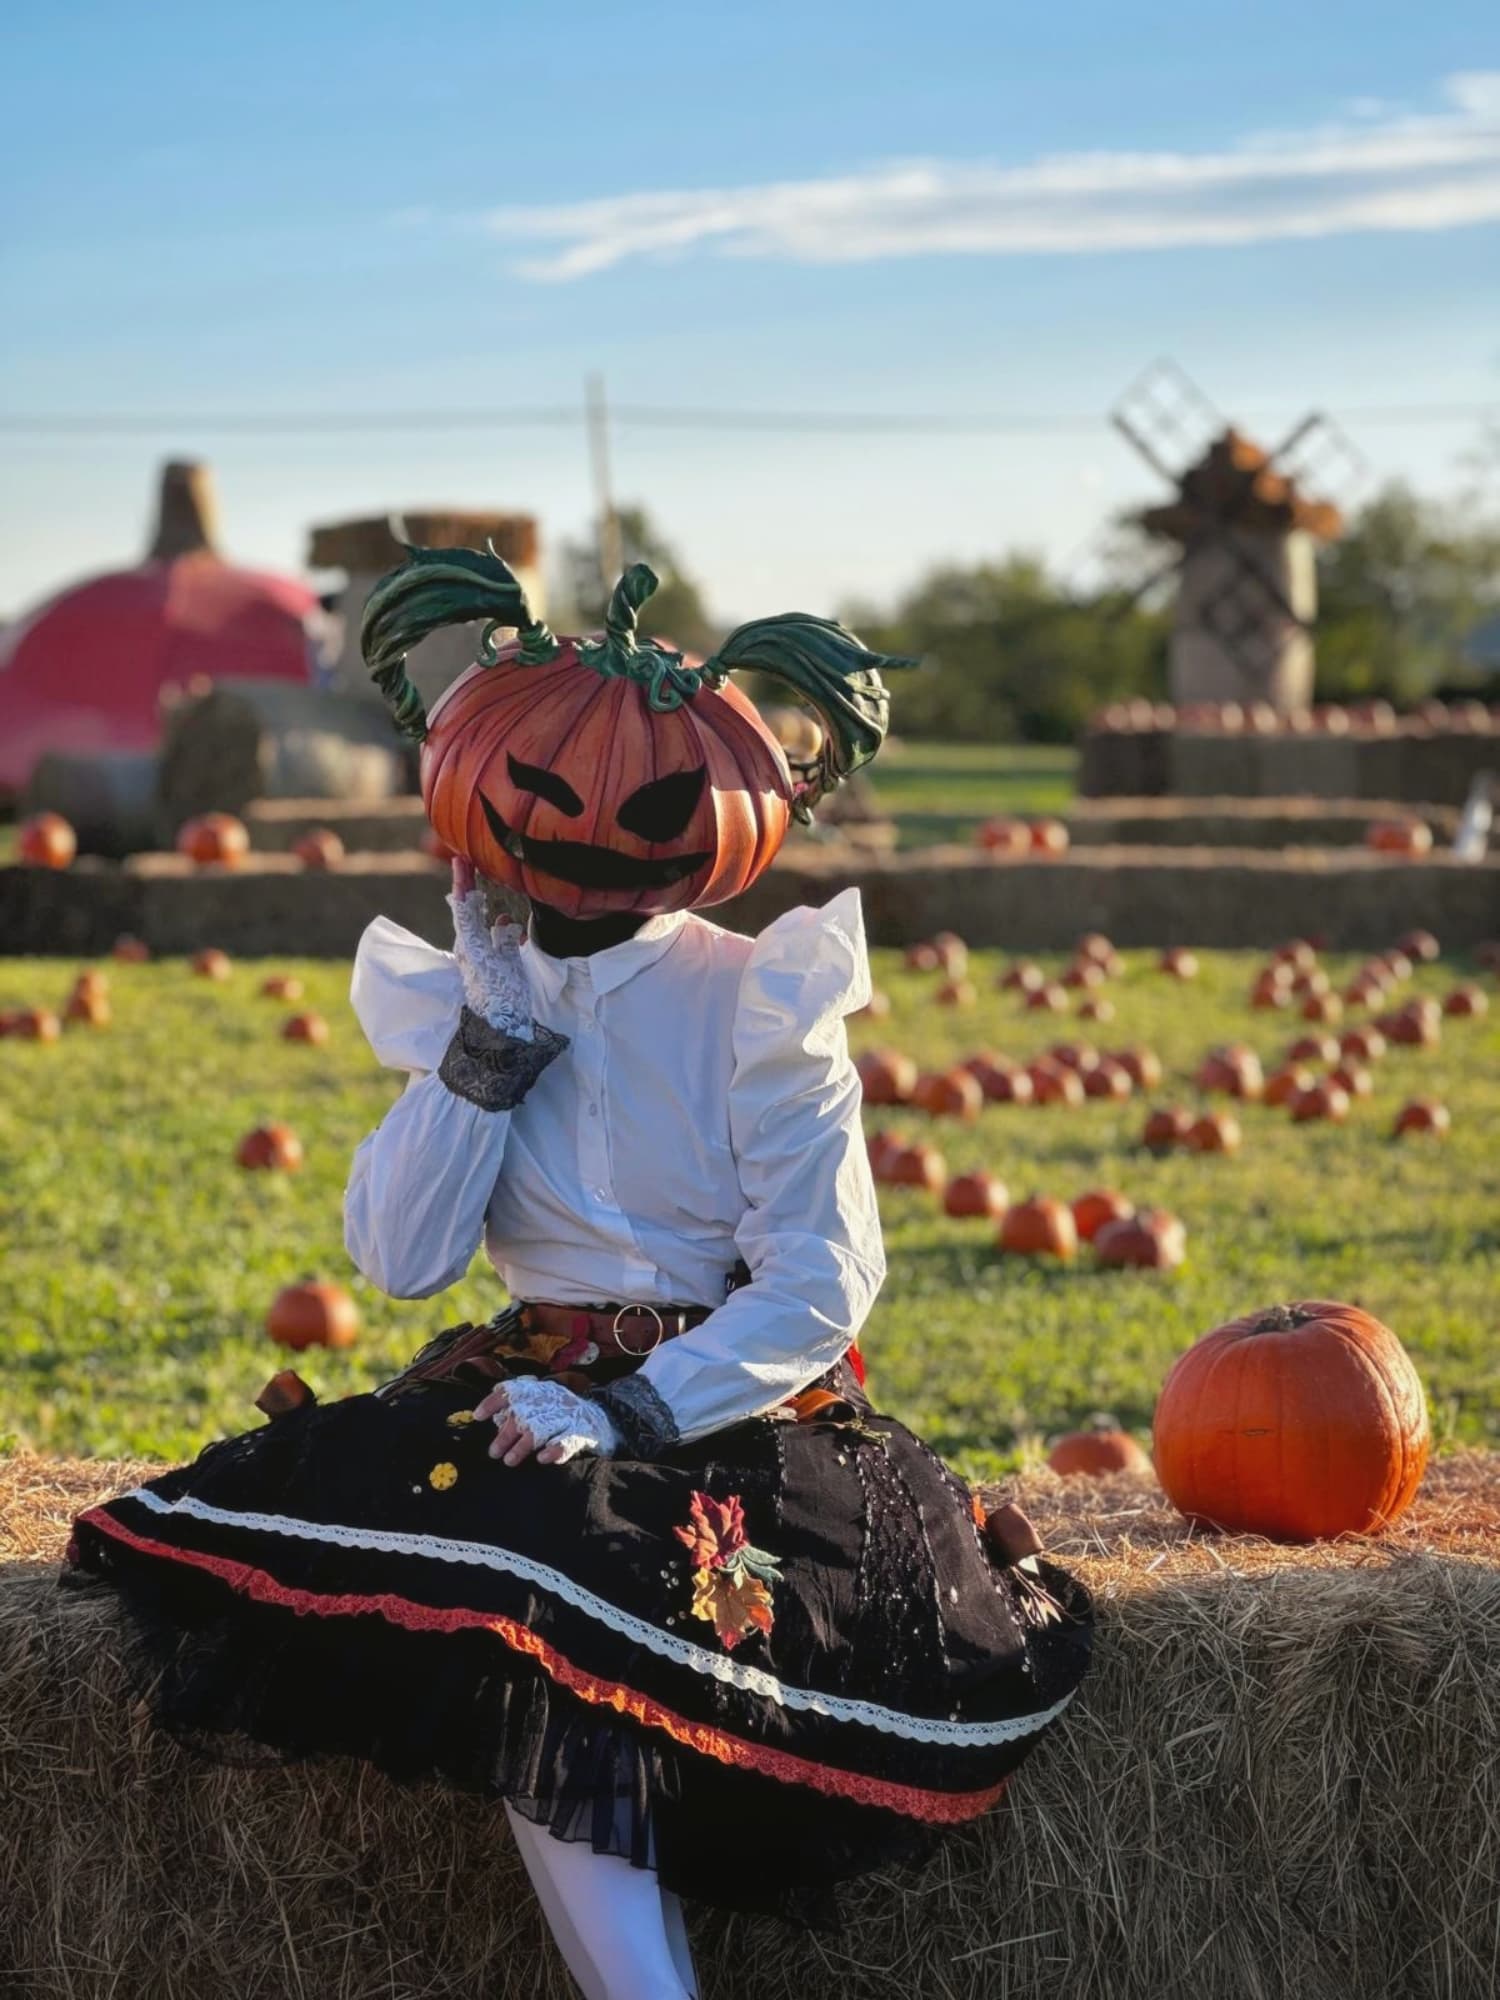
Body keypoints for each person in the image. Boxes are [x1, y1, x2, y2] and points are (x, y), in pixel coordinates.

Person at [68, 547, 1091, 2000]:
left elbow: (822, 1281)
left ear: (741, 814)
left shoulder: (761, 997)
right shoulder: (473, 994)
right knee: (518, 1575)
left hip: (736, 1411)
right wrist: (486, 1049)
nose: (594, 826)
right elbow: (399, 1259)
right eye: (547, 785)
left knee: (583, 1582)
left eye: (654, 799)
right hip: (518, 1392)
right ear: (477, 778)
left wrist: (634, 1413)